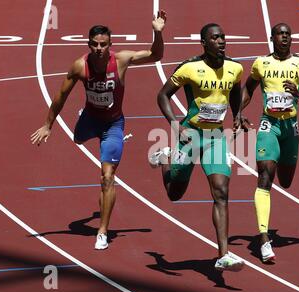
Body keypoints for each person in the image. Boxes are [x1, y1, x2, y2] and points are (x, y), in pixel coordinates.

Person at [30, 11, 167, 250]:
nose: (99, 49)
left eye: (103, 44)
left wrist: (157, 31)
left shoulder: (122, 60)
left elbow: (156, 55)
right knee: (78, 139)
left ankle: (102, 231)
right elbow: (61, 95)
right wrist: (47, 124)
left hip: (113, 125)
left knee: (107, 177)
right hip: (90, 119)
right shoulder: (80, 66)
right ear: (88, 45)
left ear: (110, 45)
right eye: (94, 44)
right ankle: (83, 121)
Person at [149, 23, 246, 271]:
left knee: (221, 192)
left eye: (223, 37)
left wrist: (237, 114)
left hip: (215, 137)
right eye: (215, 38)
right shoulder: (190, 68)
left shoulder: (235, 68)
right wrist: (173, 123)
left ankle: (223, 254)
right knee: (174, 194)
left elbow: (235, 91)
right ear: (204, 43)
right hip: (190, 136)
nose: (221, 41)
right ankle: (164, 159)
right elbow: (162, 95)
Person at [240, 23, 299, 262]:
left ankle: (266, 234)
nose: (285, 37)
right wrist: (238, 112)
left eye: (288, 34)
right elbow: (248, 89)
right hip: (269, 125)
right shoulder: (261, 64)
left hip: (291, 128)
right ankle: (264, 237)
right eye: (280, 34)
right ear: (272, 38)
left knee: (285, 181)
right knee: (265, 175)